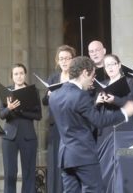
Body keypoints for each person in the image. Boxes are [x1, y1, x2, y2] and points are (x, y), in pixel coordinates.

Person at [48, 56, 133, 192]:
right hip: (83, 154)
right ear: (85, 72)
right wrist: (124, 112)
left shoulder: (54, 95)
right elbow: (99, 121)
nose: (93, 79)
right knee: (94, 190)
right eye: (92, 75)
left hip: (65, 156)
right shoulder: (80, 95)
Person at [0, 63, 42, 193]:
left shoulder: (33, 91)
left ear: (25, 74)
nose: (19, 76)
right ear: (12, 76)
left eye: (21, 73)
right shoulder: (6, 91)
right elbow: (1, 115)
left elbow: (38, 115)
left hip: (28, 136)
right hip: (9, 137)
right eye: (16, 74)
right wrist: (9, 108)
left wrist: (20, 111)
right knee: (9, 173)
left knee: (28, 173)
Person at [42, 44, 76, 193]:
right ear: (57, 61)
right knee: (55, 162)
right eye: (61, 58)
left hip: (72, 126)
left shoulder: (77, 77)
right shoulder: (53, 78)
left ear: (72, 60)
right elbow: (44, 101)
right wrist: (49, 95)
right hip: (55, 126)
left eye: (67, 58)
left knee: (70, 162)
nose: (64, 61)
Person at [95, 54, 133, 147]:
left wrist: (115, 100)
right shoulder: (103, 84)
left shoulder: (128, 81)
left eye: (112, 64)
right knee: (108, 156)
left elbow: (132, 101)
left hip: (124, 124)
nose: (110, 68)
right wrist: (97, 102)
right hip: (107, 125)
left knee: (125, 155)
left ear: (119, 65)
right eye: (107, 65)